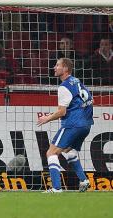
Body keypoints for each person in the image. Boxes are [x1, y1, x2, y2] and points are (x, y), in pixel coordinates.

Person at [37, 58, 93, 193]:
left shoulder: (64, 87)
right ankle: (84, 180)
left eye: (57, 65)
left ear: (65, 69)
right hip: (86, 124)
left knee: (51, 153)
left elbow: (62, 112)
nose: (54, 68)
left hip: (73, 124)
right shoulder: (76, 81)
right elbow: (90, 100)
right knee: (68, 151)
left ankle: (56, 188)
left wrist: (47, 118)